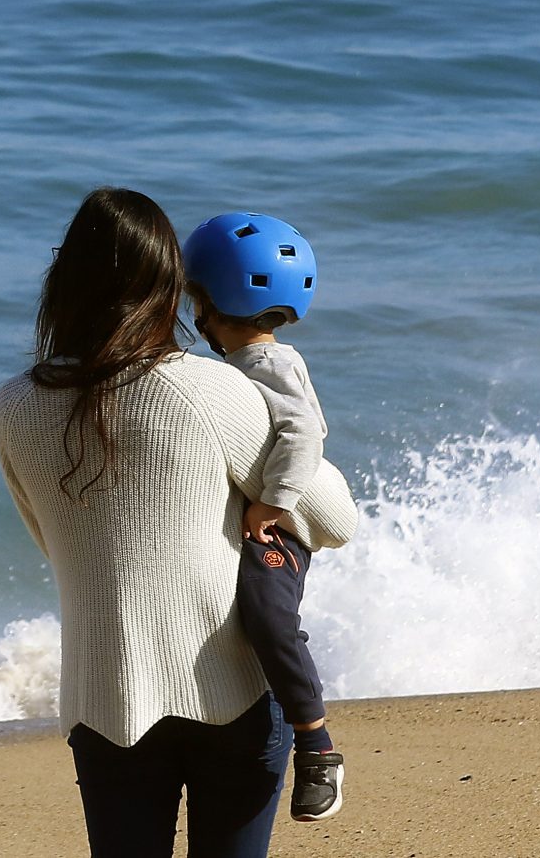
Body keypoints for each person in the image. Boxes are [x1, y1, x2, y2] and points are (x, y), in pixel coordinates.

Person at [0, 188, 357, 858]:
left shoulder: (13, 406)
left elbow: (53, 541)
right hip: (233, 691)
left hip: (103, 696)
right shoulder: (213, 389)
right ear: (171, 287)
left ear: (63, 280)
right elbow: (334, 518)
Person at [183, 211, 343, 823]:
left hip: (281, 529)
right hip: (264, 521)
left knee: (270, 618)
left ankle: (318, 746)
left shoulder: (270, 366)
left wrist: (273, 501)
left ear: (208, 305)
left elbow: (305, 433)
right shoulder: (242, 367)